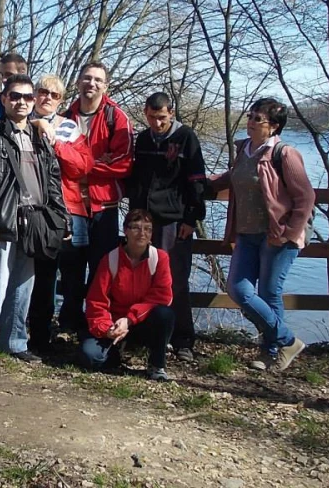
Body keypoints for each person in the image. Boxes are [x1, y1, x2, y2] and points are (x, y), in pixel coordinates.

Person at [0, 74, 70, 370]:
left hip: (35, 220)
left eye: (27, 97)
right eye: (15, 96)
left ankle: (14, 342)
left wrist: (60, 218)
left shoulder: (41, 135)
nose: (22, 102)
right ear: (4, 99)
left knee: (24, 285)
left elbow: (53, 179)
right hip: (4, 219)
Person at [210, 98, 315, 372]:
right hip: (245, 234)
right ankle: (288, 341)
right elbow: (233, 178)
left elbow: (305, 198)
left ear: (274, 127)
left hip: (276, 236)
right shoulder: (244, 148)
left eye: (259, 119)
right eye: (251, 116)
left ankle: (272, 353)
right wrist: (198, 182)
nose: (252, 122)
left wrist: (288, 234)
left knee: (269, 293)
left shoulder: (285, 153)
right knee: (238, 289)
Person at [127, 92, 207, 363]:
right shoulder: (143, 138)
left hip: (174, 219)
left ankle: (183, 338)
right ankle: (148, 334)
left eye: (161, 118)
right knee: (143, 275)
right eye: (151, 117)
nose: (157, 123)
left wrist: (191, 218)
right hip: (144, 219)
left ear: (171, 113)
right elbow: (137, 177)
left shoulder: (186, 137)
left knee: (175, 278)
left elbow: (197, 179)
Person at [57, 60, 133, 339]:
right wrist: (96, 161)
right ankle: (68, 323)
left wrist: (84, 164)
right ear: (78, 82)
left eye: (98, 80)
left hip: (104, 207)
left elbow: (124, 164)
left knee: (101, 268)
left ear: (106, 85)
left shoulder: (117, 117)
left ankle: (96, 325)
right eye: (87, 78)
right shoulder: (65, 117)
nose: (91, 84)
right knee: (71, 267)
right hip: (73, 205)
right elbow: (60, 161)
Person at [81, 209, 174, 381]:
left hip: (143, 322)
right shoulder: (110, 259)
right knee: (90, 357)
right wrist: (107, 328)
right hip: (114, 323)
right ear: (125, 231)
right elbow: (96, 300)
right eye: (136, 228)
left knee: (165, 314)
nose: (142, 233)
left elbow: (162, 296)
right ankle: (115, 353)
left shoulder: (159, 258)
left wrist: (130, 319)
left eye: (147, 229)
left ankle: (156, 364)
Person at [26, 75, 81, 353]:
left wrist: (53, 141)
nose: (47, 97)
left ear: (61, 100)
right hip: (23, 207)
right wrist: (35, 124)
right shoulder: (21, 120)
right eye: (43, 92)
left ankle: (40, 337)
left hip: (54, 212)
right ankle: (10, 332)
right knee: (20, 274)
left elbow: (81, 166)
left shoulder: (69, 127)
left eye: (55, 95)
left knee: (48, 277)